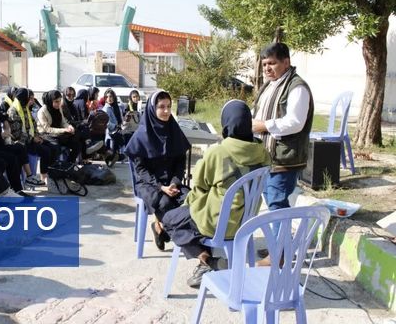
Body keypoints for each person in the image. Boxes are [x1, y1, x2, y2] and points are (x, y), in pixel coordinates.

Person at [163, 100, 271, 288]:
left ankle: (208, 261)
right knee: (184, 217)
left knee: (170, 220)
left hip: (218, 222)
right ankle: (210, 261)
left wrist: (189, 205)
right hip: (246, 222)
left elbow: (199, 186)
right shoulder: (263, 153)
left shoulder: (218, 153)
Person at [251, 41, 314, 265]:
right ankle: (278, 248)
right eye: (265, 64)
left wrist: (264, 126)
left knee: (277, 204)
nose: (267, 68)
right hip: (268, 156)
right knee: (273, 203)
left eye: (272, 63)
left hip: (285, 157)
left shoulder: (297, 87)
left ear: (286, 62)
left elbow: (295, 122)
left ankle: (280, 255)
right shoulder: (271, 85)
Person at [125, 90, 191, 251]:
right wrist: (161, 187)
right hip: (148, 184)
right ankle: (188, 240)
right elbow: (140, 170)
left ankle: (163, 228)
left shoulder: (174, 131)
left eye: (169, 106)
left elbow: (180, 163)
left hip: (171, 181)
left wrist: (175, 182)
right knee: (165, 202)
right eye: (162, 107)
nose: (167, 111)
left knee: (191, 199)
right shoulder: (141, 136)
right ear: (152, 109)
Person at [8, 88, 56, 184]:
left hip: (30, 140)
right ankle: (31, 177)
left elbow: (33, 126)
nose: (32, 101)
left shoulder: (25, 109)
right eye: (29, 98)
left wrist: (38, 137)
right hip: (22, 142)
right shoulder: (13, 111)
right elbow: (16, 134)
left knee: (52, 146)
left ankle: (47, 177)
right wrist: (33, 139)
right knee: (45, 151)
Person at [101, 88, 126, 165]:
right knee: (111, 149)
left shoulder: (115, 107)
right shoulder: (106, 108)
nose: (109, 99)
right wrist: (115, 126)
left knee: (116, 148)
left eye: (111, 96)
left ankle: (116, 158)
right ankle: (116, 157)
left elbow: (120, 118)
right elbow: (106, 122)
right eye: (107, 97)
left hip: (117, 131)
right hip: (110, 133)